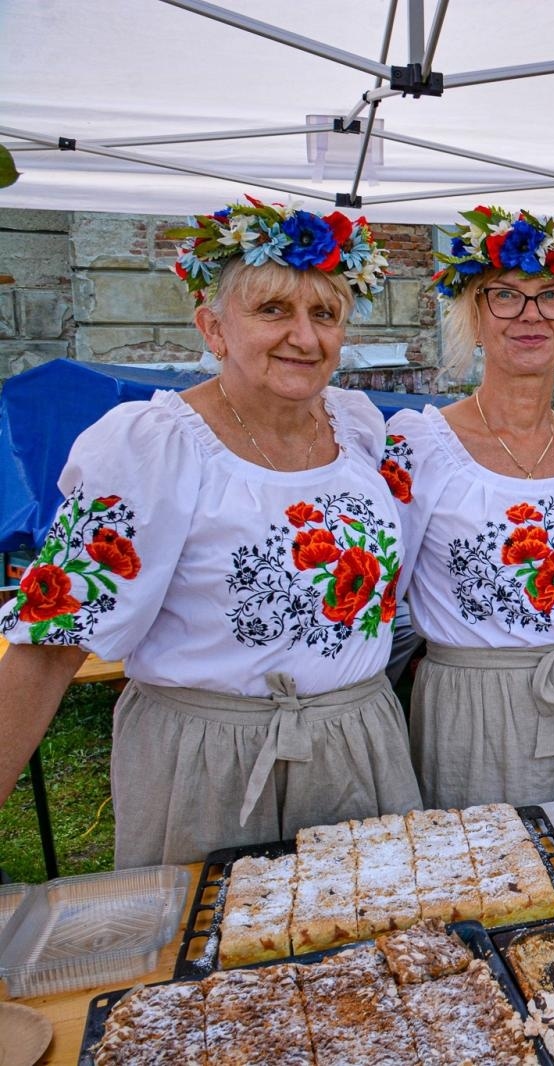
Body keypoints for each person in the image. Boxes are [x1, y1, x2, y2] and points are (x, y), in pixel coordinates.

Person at [0, 199, 419, 866]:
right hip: (208, 762)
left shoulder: (361, 428)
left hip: (357, 746)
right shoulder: (156, 446)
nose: (304, 338)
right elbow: (55, 637)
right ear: (213, 328)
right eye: (273, 311)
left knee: (372, 954)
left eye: (325, 315)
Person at [383, 206, 554, 809]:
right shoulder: (420, 442)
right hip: (468, 710)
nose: (531, 314)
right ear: (475, 318)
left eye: (551, 296)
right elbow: (388, 594)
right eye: (505, 296)